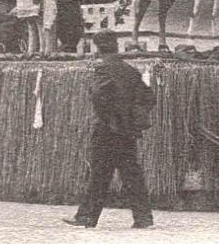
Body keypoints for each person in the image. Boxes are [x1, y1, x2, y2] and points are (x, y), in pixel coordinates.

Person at [64, 33, 157, 228]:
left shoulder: (103, 69)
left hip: (108, 130)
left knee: (99, 174)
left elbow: (99, 96)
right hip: (127, 131)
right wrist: (131, 117)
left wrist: (110, 118)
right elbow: (149, 97)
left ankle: (87, 218)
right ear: (115, 46)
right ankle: (144, 218)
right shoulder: (130, 71)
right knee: (132, 174)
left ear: (98, 48)